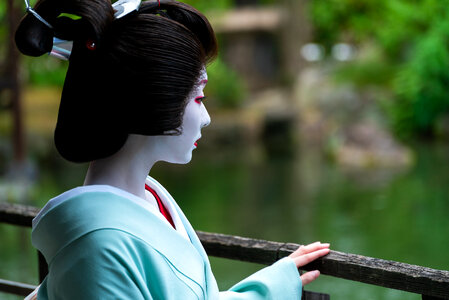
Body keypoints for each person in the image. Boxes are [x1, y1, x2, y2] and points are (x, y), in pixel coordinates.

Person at [16, 0, 330, 299]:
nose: (206, 119)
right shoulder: (97, 246)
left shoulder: (150, 196)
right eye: (199, 98)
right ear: (153, 101)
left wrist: (275, 283)